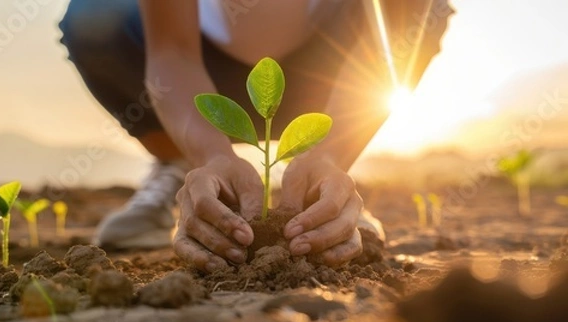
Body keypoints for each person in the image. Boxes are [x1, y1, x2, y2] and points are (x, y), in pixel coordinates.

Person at [58, 0, 453, 273]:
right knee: (94, 14)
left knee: (428, 11)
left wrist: (330, 156)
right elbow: (173, 52)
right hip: (202, 76)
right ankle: (181, 165)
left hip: (328, 73)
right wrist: (213, 156)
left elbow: (390, 45)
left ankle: (322, 193)